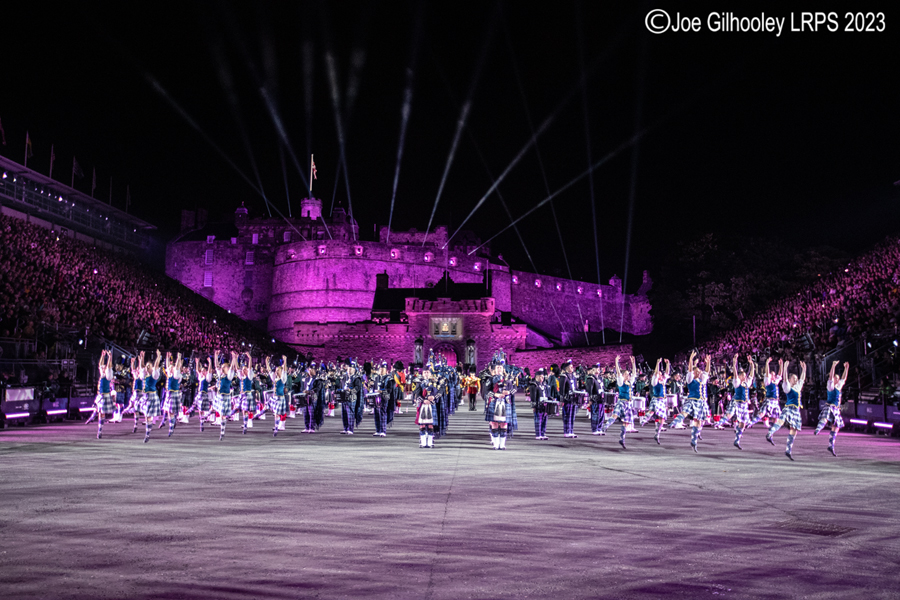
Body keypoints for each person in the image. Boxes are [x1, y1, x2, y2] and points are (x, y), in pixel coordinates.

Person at [767, 360, 807, 461]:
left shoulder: (798, 387)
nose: (796, 380)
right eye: (794, 378)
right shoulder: (787, 387)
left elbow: (802, 378)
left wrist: (804, 369)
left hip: (796, 410)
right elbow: (784, 379)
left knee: (794, 430)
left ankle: (788, 450)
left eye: (796, 378)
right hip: (789, 408)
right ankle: (770, 433)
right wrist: (785, 368)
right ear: (790, 380)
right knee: (780, 421)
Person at [815, 361, 849, 456]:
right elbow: (830, 377)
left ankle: (831, 445)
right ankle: (818, 429)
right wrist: (833, 365)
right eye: (836, 378)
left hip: (837, 409)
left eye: (838, 379)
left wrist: (846, 368)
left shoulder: (838, 386)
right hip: (830, 406)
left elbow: (844, 378)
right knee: (825, 418)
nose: (838, 380)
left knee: (836, 427)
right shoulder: (830, 386)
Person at [603, 355, 637, 449]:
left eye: (628, 374)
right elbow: (618, 373)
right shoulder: (621, 382)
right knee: (614, 415)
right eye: (626, 374)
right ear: (623, 376)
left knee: (626, 422)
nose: (628, 375)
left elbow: (634, 373)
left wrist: (633, 363)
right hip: (621, 402)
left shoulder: (630, 382)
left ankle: (622, 439)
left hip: (628, 404)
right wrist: (616, 362)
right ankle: (605, 427)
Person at [723, 354, 755, 450]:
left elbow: (752, 374)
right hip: (739, 403)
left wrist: (752, 364)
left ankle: (737, 439)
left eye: (745, 376)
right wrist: (734, 361)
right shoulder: (736, 382)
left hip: (744, 404)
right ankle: (722, 424)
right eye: (743, 376)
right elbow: (735, 373)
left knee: (743, 423)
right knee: (739, 420)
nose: (745, 377)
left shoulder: (746, 383)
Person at [641, 358, 671, 444]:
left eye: (661, 374)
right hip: (656, 399)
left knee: (662, 419)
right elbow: (655, 374)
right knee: (651, 411)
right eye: (659, 374)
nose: (661, 375)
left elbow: (667, 373)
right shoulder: (654, 381)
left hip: (662, 401)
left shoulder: (663, 381)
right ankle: (644, 420)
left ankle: (657, 434)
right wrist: (657, 363)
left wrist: (668, 364)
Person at [748, 358, 783, 429]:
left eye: (774, 374)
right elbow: (767, 373)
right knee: (762, 413)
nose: (774, 376)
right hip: (769, 400)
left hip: (775, 401)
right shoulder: (768, 382)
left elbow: (779, 374)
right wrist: (767, 364)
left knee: (776, 417)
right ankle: (750, 423)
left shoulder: (776, 382)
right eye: (772, 375)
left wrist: (781, 365)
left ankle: (772, 430)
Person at [214, 351, 238, 440]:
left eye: (223, 367)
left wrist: (233, 358)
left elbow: (231, 368)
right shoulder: (220, 375)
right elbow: (216, 366)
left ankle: (222, 432)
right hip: (219, 396)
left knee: (223, 415)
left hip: (225, 397)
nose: (221, 368)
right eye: (222, 367)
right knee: (220, 414)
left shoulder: (229, 376)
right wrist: (215, 356)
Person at [141, 350, 163, 443]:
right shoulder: (145, 375)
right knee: (146, 416)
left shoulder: (154, 375)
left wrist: (158, 357)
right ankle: (147, 432)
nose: (147, 368)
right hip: (146, 397)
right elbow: (142, 367)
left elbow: (156, 366)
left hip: (152, 396)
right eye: (147, 367)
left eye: (149, 366)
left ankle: (147, 434)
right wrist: (142, 358)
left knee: (148, 416)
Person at [93, 350, 116, 439]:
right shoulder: (102, 373)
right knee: (100, 413)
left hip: (105, 395)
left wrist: (110, 357)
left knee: (102, 413)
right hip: (100, 395)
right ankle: (99, 429)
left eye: (104, 368)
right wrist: (102, 355)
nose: (102, 368)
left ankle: (100, 430)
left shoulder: (108, 374)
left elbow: (108, 366)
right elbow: (100, 365)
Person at [161, 352, 184, 437]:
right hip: (169, 394)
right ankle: (171, 422)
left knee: (171, 412)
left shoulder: (176, 375)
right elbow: (167, 366)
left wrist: (178, 358)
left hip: (174, 394)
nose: (170, 369)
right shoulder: (170, 375)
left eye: (171, 368)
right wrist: (167, 357)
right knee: (167, 411)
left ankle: (171, 429)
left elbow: (177, 366)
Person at [267, 355, 289, 436]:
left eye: (278, 370)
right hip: (275, 398)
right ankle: (277, 426)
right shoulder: (274, 378)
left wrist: (285, 360)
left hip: (281, 398)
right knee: (275, 413)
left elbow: (285, 371)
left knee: (279, 413)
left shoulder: (283, 378)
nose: (276, 371)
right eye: (276, 370)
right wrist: (266, 362)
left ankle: (280, 426)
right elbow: (269, 371)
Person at [530, 368, 553, 440]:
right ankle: (538, 434)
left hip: (545, 405)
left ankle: (543, 433)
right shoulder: (533, 385)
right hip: (538, 405)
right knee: (538, 420)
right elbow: (533, 397)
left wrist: (551, 398)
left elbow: (547, 395)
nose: (542, 378)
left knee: (544, 420)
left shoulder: (545, 385)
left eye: (543, 377)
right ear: (536, 377)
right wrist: (533, 406)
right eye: (540, 377)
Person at [559, 360, 580, 438]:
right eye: (571, 367)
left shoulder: (573, 377)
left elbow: (576, 387)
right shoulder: (563, 376)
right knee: (567, 415)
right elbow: (562, 390)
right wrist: (562, 400)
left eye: (572, 366)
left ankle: (571, 431)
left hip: (573, 399)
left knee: (572, 415)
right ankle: (566, 431)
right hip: (567, 399)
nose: (572, 368)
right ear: (567, 368)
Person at [585, 364, 605, 436]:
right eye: (597, 369)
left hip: (601, 399)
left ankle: (599, 428)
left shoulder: (600, 378)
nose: (598, 370)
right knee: (595, 415)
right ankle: (594, 429)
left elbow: (602, 387)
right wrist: (589, 399)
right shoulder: (590, 378)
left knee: (601, 415)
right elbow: (589, 390)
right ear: (593, 370)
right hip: (594, 399)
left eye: (599, 369)